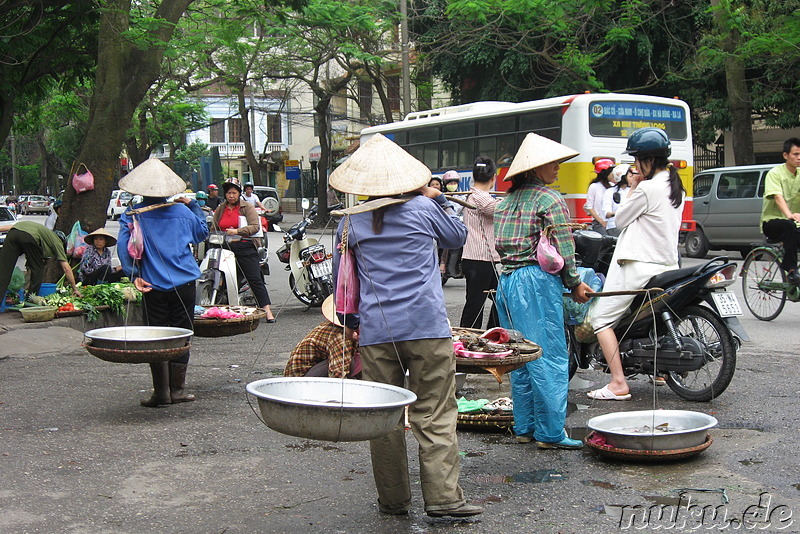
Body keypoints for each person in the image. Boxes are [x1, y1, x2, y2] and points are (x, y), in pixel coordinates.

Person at [330, 133, 482, 519]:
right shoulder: (424, 209)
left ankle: (394, 500)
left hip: (377, 333)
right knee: (434, 413)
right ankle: (445, 499)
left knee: (384, 418)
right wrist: (440, 198)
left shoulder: (349, 222)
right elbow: (459, 236)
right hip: (427, 328)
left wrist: (349, 323)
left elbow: (342, 281)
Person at [493, 132, 591, 449]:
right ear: (537, 167)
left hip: (506, 283)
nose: (559, 167)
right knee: (547, 356)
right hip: (535, 282)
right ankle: (549, 434)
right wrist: (575, 283)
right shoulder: (549, 200)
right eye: (554, 163)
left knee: (519, 357)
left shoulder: (506, 202)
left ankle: (524, 427)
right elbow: (564, 249)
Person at [587, 128, 685, 401]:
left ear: (648, 161)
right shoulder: (674, 185)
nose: (634, 167)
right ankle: (659, 370)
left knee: (601, 319)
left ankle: (618, 382)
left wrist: (632, 186)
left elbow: (618, 220)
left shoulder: (647, 188)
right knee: (645, 319)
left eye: (636, 161)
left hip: (638, 265)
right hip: (666, 263)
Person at [117, 158, 209, 407]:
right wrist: (195, 206)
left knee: (156, 337)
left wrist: (132, 275)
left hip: (151, 284)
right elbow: (202, 232)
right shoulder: (182, 211)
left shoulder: (132, 214)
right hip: (185, 284)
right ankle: (177, 390)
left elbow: (125, 250)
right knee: (182, 334)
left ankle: (161, 393)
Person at [211, 181, 275, 322]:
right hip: (224, 247)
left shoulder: (247, 207)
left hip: (244, 246)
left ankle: (267, 311)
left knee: (254, 279)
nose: (231, 196)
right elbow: (214, 227)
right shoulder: (221, 208)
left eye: (234, 193)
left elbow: (254, 227)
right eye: (229, 193)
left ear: (239, 193)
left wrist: (237, 231)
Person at [459, 156, 501, 329]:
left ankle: (491, 333)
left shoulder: (476, 195)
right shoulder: (480, 197)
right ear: (493, 178)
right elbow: (497, 209)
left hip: (484, 260)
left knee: (502, 300)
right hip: (478, 260)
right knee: (475, 306)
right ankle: (466, 341)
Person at [0, 220, 81, 299]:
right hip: (29, 236)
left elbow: (11, 227)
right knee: (38, 270)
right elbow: (66, 268)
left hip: (13, 233)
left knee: (4, 270)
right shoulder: (58, 241)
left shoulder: (44, 233)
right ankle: (30, 300)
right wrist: (74, 288)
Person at [284, 295, 360, 378]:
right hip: (299, 379)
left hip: (313, 369)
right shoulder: (341, 336)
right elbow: (337, 374)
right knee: (351, 362)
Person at [760, 138, 800, 285]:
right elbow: (777, 197)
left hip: (794, 223)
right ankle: (791, 271)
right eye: (795, 154)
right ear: (785, 155)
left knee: (791, 227)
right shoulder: (775, 174)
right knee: (788, 225)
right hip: (772, 223)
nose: (799, 158)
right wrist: (790, 215)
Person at [584, 158, 615, 234]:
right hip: (599, 224)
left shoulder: (613, 186)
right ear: (604, 173)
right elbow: (589, 207)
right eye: (611, 172)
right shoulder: (594, 186)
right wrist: (601, 221)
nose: (613, 174)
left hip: (612, 224)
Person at [602, 164, 632, 237]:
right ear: (623, 177)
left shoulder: (633, 191)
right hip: (615, 226)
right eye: (630, 176)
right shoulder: (610, 192)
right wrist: (620, 212)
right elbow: (607, 213)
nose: (633, 178)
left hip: (629, 226)